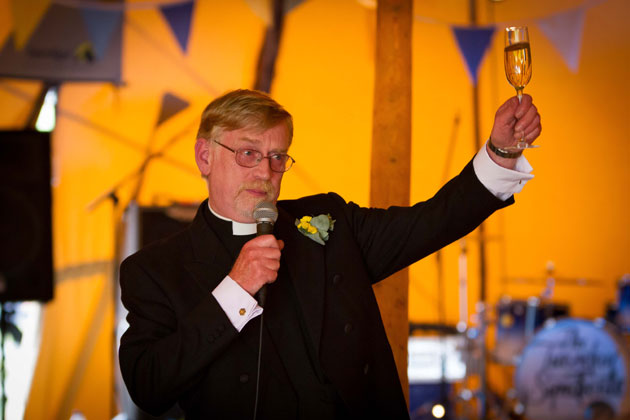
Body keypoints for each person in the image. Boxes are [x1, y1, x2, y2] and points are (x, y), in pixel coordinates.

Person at [119, 89, 541, 419]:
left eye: (277, 157)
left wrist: (500, 153)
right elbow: (149, 387)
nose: (265, 172)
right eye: (248, 153)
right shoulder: (154, 270)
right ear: (205, 156)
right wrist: (236, 289)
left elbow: (431, 222)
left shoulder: (328, 222)